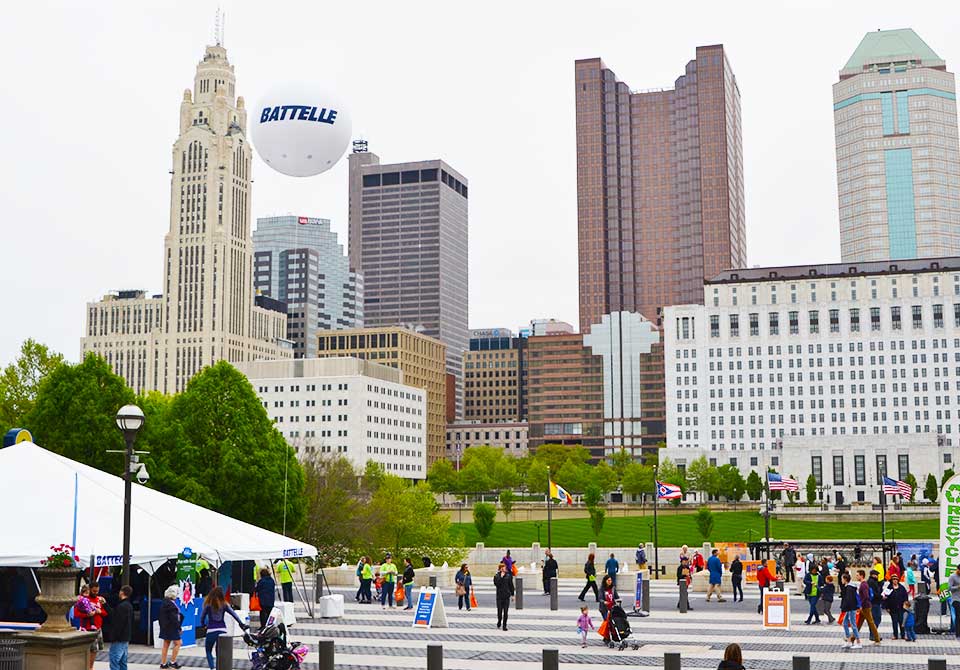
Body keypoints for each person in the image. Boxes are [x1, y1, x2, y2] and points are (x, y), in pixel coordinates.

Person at [200, 587, 248, 670]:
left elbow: (202, 617)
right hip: (223, 630)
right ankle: (219, 667)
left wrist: (203, 625)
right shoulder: (224, 604)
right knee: (220, 652)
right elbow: (234, 614)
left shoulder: (208, 604)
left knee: (208, 651)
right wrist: (241, 624)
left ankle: (212, 668)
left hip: (211, 630)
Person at [79, 582, 107, 670]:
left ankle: (91, 666)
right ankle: (89, 666)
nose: (96, 593)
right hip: (88, 628)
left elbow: (105, 613)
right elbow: (77, 613)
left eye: (97, 591)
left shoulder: (99, 599)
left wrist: (100, 611)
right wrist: (88, 615)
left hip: (98, 626)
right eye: (94, 591)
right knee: (91, 648)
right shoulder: (84, 600)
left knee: (96, 649)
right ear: (90, 590)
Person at [158, 585, 183, 669]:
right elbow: (174, 618)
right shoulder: (171, 605)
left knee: (166, 644)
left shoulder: (164, 603)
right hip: (172, 627)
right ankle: (173, 661)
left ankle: (163, 663)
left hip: (165, 627)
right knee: (178, 643)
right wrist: (179, 628)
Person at [108, 585, 133, 670]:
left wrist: (114, 637)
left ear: (122, 592)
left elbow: (118, 623)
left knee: (114, 661)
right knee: (123, 662)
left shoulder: (121, 606)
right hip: (126, 637)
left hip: (119, 638)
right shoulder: (129, 605)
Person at [855, 569, 880, 645]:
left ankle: (877, 639)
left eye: (857, 575)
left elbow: (866, 596)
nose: (856, 577)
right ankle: (852, 638)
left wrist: (861, 605)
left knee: (871, 623)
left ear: (861, 576)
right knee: (859, 623)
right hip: (865, 606)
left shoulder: (864, 585)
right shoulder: (863, 584)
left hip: (865, 607)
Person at [839, 572, 862, 649]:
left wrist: (845, 608)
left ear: (845, 579)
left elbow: (849, 600)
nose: (841, 580)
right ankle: (849, 640)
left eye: (842, 578)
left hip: (851, 608)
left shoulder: (849, 588)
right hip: (850, 608)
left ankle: (858, 642)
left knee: (853, 625)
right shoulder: (848, 587)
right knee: (845, 623)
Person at [884, 574, 908, 640]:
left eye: (896, 579)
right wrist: (887, 607)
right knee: (894, 622)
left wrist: (905, 605)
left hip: (901, 608)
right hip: (892, 608)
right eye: (893, 579)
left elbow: (905, 597)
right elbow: (885, 598)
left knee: (901, 622)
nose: (895, 581)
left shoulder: (902, 587)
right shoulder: (889, 588)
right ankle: (895, 635)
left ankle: (903, 635)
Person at [493, 562, 514, 631]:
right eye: (502, 568)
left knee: (505, 612)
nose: (503, 569)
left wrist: (512, 595)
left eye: (504, 568)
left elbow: (511, 585)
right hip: (499, 596)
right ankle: (499, 621)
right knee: (499, 612)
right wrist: (501, 577)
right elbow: (497, 584)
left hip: (506, 596)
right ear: (499, 569)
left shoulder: (508, 576)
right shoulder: (496, 576)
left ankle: (504, 625)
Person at [948, 564, 960, 638]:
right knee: (958, 616)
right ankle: (957, 633)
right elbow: (949, 588)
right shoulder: (953, 577)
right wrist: (958, 587)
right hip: (956, 599)